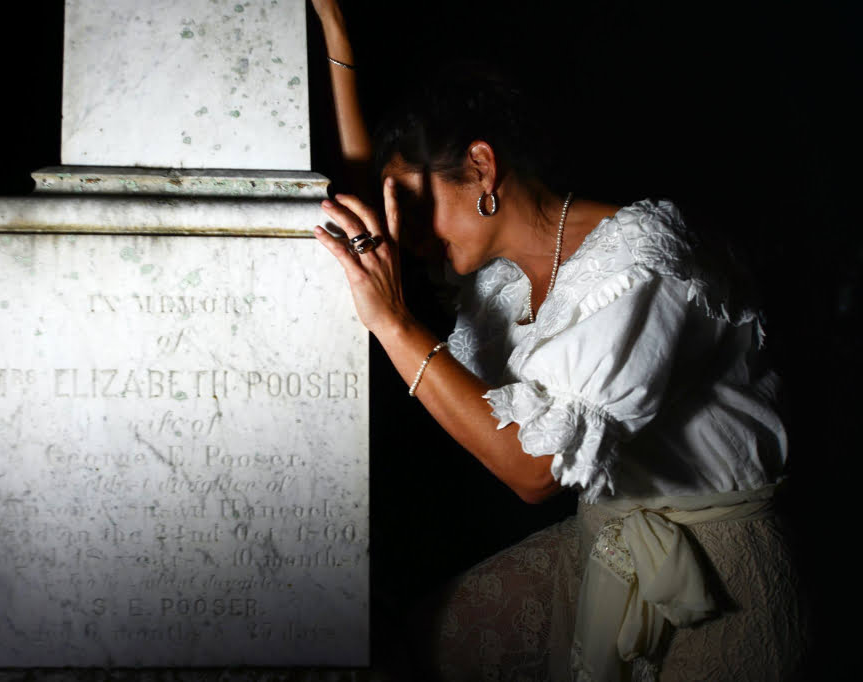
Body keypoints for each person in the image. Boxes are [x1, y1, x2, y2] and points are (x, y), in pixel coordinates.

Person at [309, 2, 805, 680]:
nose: (407, 230)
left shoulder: (641, 261)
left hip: (721, 573)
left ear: (481, 168)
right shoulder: (499, 282)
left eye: (418, 202)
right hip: (609, 540)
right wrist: (336, 34)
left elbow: (533, 472)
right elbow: (365, 208)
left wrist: (394, 323)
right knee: (403, 646)